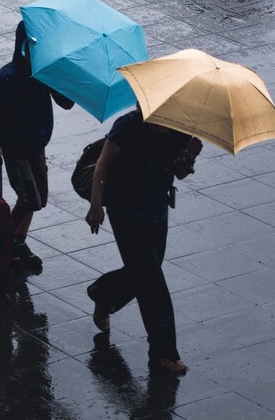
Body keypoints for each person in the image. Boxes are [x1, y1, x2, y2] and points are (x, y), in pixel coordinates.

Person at [84, 107, 202, 374]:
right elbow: (103, 163)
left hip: (156, 211)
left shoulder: (178, 128)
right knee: (152, 282)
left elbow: (180, 173)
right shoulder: (127, 126)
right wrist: (96, 204)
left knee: (145, 271)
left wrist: (190, 154)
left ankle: (103, 293)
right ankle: (163, 351)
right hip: (125, 211)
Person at [0, 21, 74, 270]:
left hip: (36, 145)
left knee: (38, 199)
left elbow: (66, 102)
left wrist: (64, 77)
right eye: (32, 48)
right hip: (15, 147)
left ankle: (17, 241)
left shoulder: (44, 74)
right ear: (22, 47)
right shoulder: (6, 77)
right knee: (28, 198)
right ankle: (4, 241)